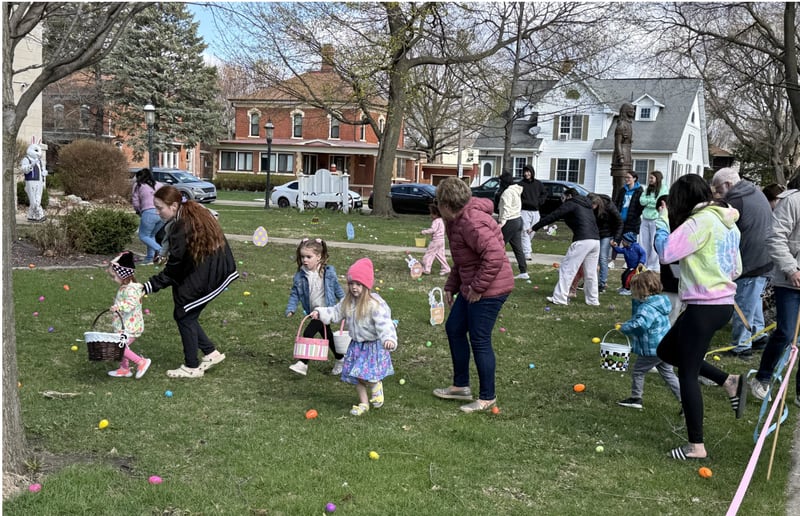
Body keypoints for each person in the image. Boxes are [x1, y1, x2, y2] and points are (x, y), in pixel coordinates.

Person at [654, 174, 746, 460]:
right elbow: (736, 268)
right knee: (666, 350)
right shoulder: (726, 221)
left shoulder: (700, 221)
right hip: (719, 305)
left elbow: (666, 253)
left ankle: (696, 445)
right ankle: (729, 381)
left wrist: (661, 222)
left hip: (705, 306)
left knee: (688, 373)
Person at [432, 177, 514, 413]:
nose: (437, 206)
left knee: (479, 338)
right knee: (455, 328)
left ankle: (487, 396)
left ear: (447, 204)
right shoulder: (456, 221)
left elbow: (495, 257)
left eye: (438, 202)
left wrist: (477, 288)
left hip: (491, 288)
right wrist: (451, 286)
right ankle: (460, 386)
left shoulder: (471, 223)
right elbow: (463, 260)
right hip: (473, 285)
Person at [143, 185, 238, 378]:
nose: (157, 212)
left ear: (174, 205)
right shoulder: (183, 217)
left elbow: (175, 267)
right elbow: (174, 250)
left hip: (212, 272)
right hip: (211, 268)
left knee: (184, 313)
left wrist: (151, 285)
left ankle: (192, 367)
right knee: (185, 313)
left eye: (160, 207)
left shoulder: (182, 225)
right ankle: (211, 353)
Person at [311, 258, 397, 416]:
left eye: (358, 284)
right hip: (356, 345)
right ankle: (363, 403)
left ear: (366, 285)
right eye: (351, 284)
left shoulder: (374, 304)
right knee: (356, 376)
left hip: (372, 346)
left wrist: (389, 339)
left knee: (369, 375)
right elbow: (335, 312)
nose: (354, 287)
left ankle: (376, 387)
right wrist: (320, 313)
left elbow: (385, 324)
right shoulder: (348, 302)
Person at [711, 167, 773, 358]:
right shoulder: (754, 191)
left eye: (719, 190)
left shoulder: (736, 200)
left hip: (750, 261)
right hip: (765, 258)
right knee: (752, 300)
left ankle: (741, 347)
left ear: (728, 184)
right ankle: (758, 335)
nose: (718, 195)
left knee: (743, 303)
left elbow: (722, 230)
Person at [749, 175, 800, 406]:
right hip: (790, 280)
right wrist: (791, 269)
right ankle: (763, 377)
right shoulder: (792, 202)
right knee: (786, 332)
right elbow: (775, 237)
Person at [616, 270, 681, 410]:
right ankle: (686, 402)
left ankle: (636, 398)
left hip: (653, 349)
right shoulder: (661, 301)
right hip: (665, 346)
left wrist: (624, 327)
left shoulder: (646, 308)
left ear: (641, 290)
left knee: (638, 371)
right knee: (668, 374)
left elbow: (640, 325)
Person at [286, 238, 346, 376]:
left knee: (308, 333)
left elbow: (337, 289)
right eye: (302, 257)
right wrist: (291, 308)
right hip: (313, 311)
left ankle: (303, 363)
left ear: (318, 257)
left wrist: (344, 302)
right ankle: (340, 359)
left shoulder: (328, 273)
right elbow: (295, 293)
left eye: (308, 257)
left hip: (326, 311)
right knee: (328, 337)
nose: (304, 260)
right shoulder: (300, 276)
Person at [531, 188, 600, 306]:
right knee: (591, 273)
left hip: (582, 240)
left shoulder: (571, 203)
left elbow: (554, 215)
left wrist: (534, 227)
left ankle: (559, 298)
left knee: (567, 269)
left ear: (568, 196)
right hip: (595, 240)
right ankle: (593, 300)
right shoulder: (586, 205)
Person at [105, 251, 151, 379]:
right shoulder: (125, 287)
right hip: (123, 325)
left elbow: (130, 304)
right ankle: (124, 369)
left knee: (119, 346)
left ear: (122, 275)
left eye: (114, 276)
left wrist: (119, 307)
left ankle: (141, 362)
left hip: (131, 326)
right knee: (121, 346)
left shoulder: (132, 289)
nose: (113, 279)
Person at [656, 195, 684, 325]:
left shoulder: (673, 225)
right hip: (672, 278)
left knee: (673, 308)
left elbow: (662, 249)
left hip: (675, 278)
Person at [496, 170, 528, 280]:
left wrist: (502, 222)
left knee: (498, 245)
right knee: (518, 248)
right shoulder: (516, 190)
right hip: (518, 219)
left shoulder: (507, 193)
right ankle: (523, 271)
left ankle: (497, 268)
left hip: (510, 221)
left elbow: (506, 208)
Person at [590, 193, 622, 294]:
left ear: (598, 203)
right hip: (595, 233)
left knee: (603, 257)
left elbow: (619, 222)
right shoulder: (590, 208)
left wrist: (616, 239)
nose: (592, 208)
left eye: (593, 205)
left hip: (607, 234)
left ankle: (602, 283)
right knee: (592, 257)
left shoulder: (609, 207)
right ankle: (591, 280)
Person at [132, 168, 165, 264]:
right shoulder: (160, 185)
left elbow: (135, 201)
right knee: (151, 235)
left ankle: (161, 250)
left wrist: (138, 211)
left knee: (143, 235)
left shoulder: (138, 185)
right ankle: (150, 258)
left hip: (148, 211)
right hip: (162, 213)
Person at [639, 171, 668, 270]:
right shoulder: (647, 189)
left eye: (652, 178)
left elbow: (659, 202)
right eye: (649, 178)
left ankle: (654, 265)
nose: (650, 180)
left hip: (655, 218)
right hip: (645, 218)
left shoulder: (663, 189)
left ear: (657, 178)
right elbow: (641, 201)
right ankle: (644, 263)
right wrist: (651, 201)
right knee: (644, 242)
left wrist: (649, 202)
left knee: (653, 242)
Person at [519, 164, 548, 261]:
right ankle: (527, 253)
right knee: (525, 231)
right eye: (525, 172)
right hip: (524, 211)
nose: (527, 173)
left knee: (533, 230)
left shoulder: (538, 184)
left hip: (535, 211)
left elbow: (544, 193)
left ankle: (526, 246)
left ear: (532, 172)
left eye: (528, 171)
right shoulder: (520, 184)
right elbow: (517, 197)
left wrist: (540, 201)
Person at [612, 172, 644, 248]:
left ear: (634, 178)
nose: (626, 179)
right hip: (621, 219)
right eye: (626, 177)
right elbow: (617, 202)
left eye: (629, 177)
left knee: (629, 243)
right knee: (616, 240)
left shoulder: (639, 191)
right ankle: (613, 259)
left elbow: (640, 206)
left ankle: (631, 259)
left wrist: (635, 215)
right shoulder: (623, 190)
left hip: (632, 222)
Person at [420, 204, 451, 276]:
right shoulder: (441, 221)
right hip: (441, 241)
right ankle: (446, 268)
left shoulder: (435, 221)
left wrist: (423, 232)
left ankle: (426, 269)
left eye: (431, 213)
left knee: (429, 254)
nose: (430, 215)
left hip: (435, 241)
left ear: (436, 214)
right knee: (440, 255)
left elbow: (433, 230)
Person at [21, 140, 47, 222]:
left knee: (38, 198)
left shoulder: (39, 161)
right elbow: (24, 169)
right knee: (34, 200)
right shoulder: (26, 159)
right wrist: (31, 165)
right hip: (31, 181)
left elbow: (41, 170)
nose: (38, 153)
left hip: (39, 182)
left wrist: (43, 173)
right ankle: (40, 215)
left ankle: (31, 216)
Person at [612, 103, 634, 172]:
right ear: (626, 111)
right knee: (621, 179)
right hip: (621, 157)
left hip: (627, 154)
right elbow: (617, 143)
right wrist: (620, 157)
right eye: (631, 110)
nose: (633, 111)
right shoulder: (621, 125)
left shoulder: (628, 124)